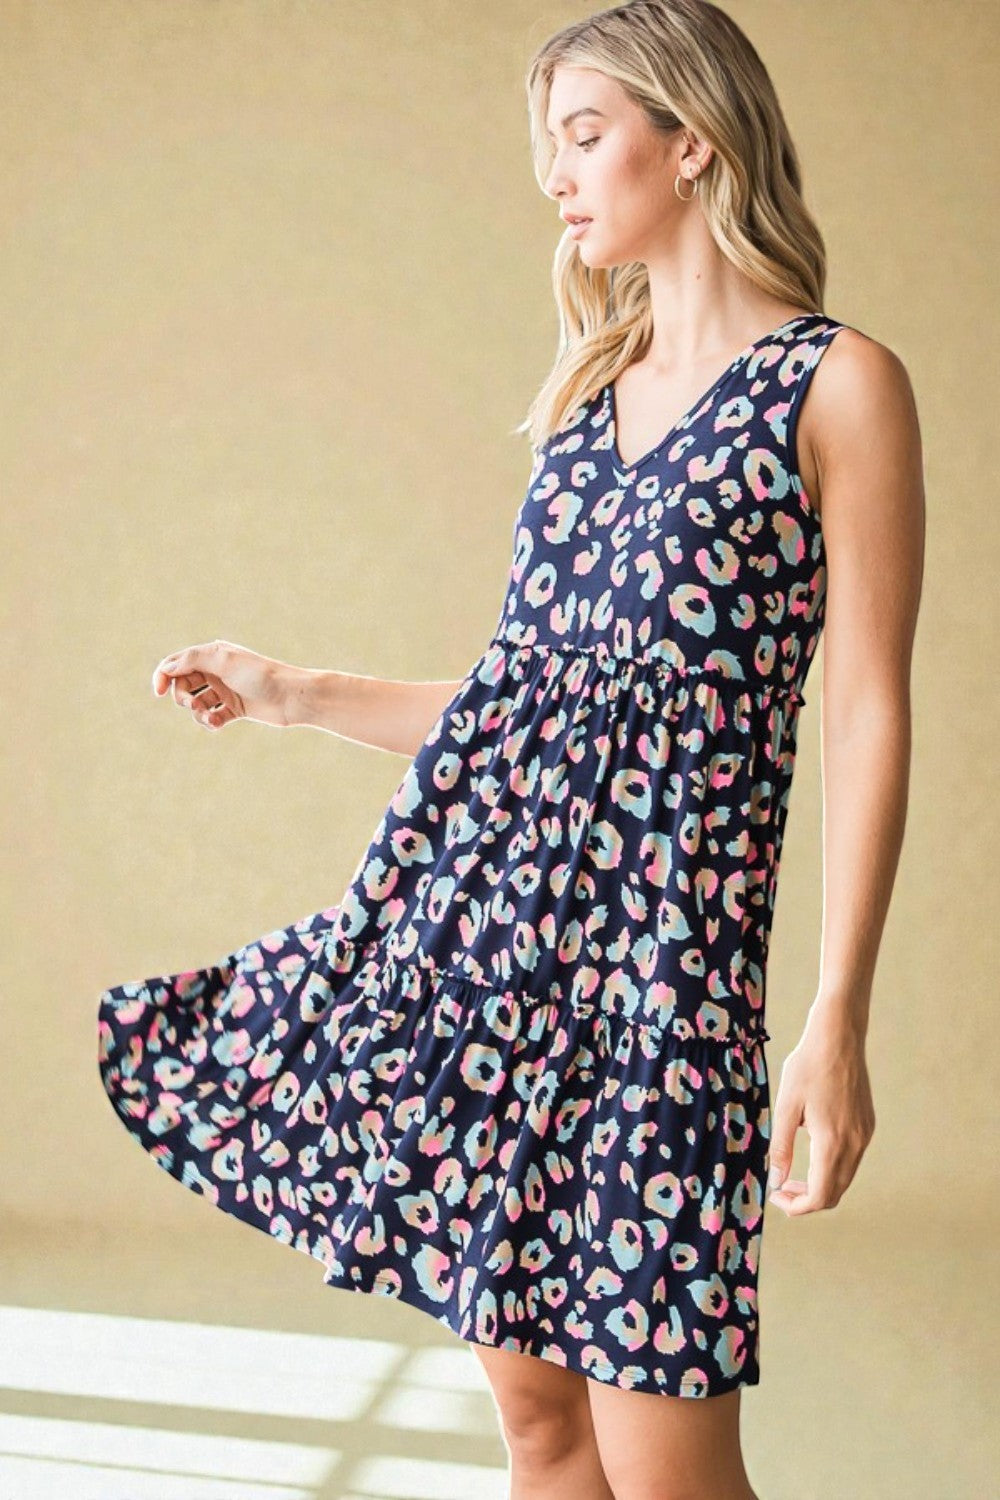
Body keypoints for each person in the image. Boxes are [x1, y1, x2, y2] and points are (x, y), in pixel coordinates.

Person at [96, 1, 925, 1496]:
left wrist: (835, 1014)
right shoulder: (585, 402)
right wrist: (295, 690)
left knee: (668, 1468)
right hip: (486, 966)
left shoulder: (837, 386)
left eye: (584, 134)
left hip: (664, 992)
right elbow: (527, 708)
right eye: (545, 142)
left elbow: (867, 706)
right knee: (542, 1436)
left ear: (694, 139)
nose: (553, 172)